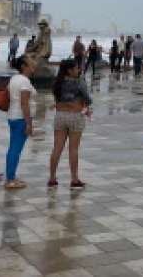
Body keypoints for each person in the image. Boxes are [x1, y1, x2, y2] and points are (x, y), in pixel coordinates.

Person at [49, 58, 91, 189]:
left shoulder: (57, 83)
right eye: (76, 68)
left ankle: (52, 178)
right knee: (73, 149)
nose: (78, 70)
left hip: (60, 115)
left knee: (57, 148)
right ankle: (74, 179)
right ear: (70, 70)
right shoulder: (79, 82)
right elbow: (88, 99)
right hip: (75, 115)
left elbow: (57, 100)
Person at [5, 56, 36, 189]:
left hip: (13, 116)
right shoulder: (24, 81)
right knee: (15, 149)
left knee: (13, 148)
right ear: (23, 66)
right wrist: (29, 124)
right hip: (20, 118)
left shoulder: (14, 78)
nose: (33, 65)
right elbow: (24, 103)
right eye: (31, 63)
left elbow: (9, 96)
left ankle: (11, 176)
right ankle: (10, 179)